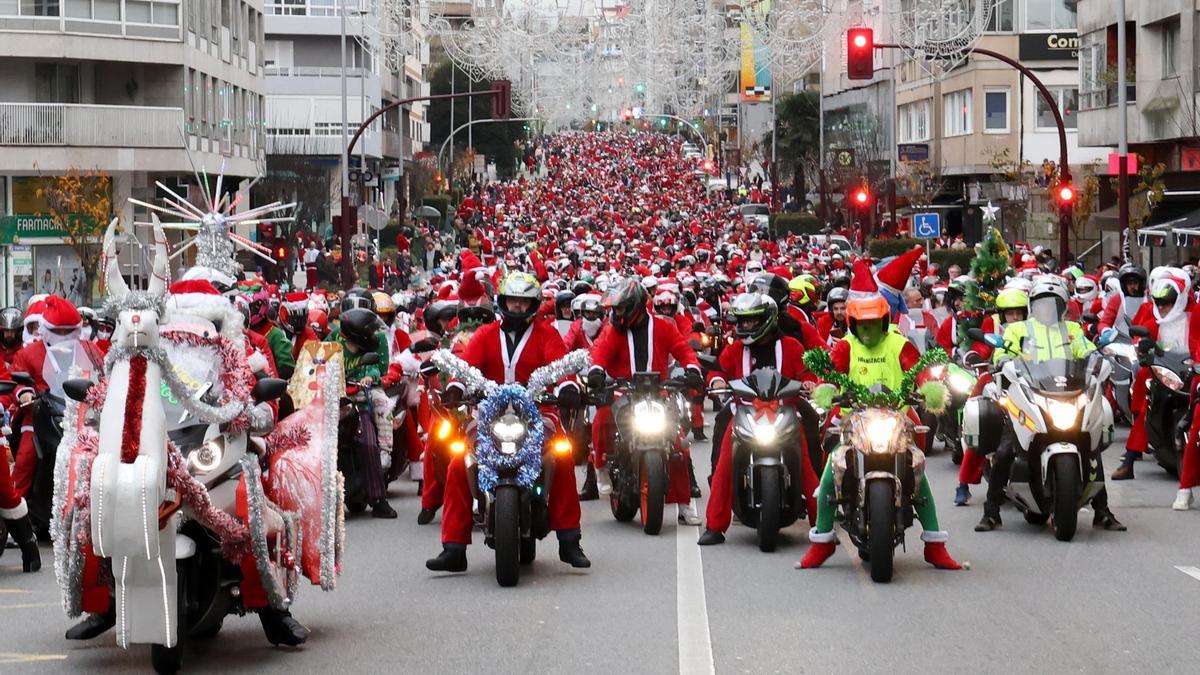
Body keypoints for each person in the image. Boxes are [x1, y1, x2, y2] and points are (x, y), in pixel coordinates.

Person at [425, 272, 591, 572]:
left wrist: (567, 389)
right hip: (489, 414)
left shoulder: (547, 334)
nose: (516, 307)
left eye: (522, 301)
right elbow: (467, 368)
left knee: (562, 457)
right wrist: (455, 389)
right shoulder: (485, 334)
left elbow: (561, 368)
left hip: (540, 413)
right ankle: (453, 547)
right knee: (459, 463)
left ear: (533, 304)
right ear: (502, 301)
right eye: (512, 301)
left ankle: (569, 540)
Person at [799, 266, 961, 571]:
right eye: (862, 324)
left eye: (874, 322)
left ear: (885, 320)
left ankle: (935, 546)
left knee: (917, 470)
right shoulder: (846, 346)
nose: (868, 329)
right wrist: (827, 390)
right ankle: (821, 541)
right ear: (853, 323)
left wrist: (930, 389)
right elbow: (831, 371)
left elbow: (920, 368)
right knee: (832, 469)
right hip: (853, 420)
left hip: (896, 418)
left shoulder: (899, 343)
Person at [974, 276, 1125, 532]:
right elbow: (1002, 352)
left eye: (1053, 303)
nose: (1048, 308)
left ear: (1063, 305)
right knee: (1005, 450)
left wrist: (1098, 359)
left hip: (1066, 394)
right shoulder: (1019, 329)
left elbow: (1086, 350)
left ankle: (1103, 512)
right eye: (1042, 303)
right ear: (1033, 304)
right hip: (1030, 397)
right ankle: (991, 512)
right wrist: (1001, 359)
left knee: (1091, 448)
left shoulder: (1072, 330)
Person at [698, 292, 818, 545]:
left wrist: (811, 383)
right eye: (742, 321)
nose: (745, 327)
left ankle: (822, 524)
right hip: (744, 413)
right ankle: (715, 526)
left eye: (751, 321)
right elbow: (718, 371)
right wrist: (717, 380)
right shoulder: (734, 350)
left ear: (767, 319)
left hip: (785, 412)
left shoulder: (791, 346)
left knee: (806, 463)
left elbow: (809, 373)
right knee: (724, 464)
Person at [586, 278, 705, 525]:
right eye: (614, 309)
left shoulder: (663, 326)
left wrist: (693, 369)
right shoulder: (613, 331)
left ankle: (684, 505)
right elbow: (601, 353)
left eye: (620, 309)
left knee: (679, 444)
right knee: (602, 419)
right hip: (624, 391)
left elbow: (683, 349)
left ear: (635, 306)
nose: (616, 314)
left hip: (658, 393)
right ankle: (602, 468)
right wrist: (596, 371)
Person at [326, 307, 396, 518]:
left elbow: (375, 369)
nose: (373, 335)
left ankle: (378, 499)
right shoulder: (333, 343)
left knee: (367, 443)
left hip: (359, 402)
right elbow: (316, 358)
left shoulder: (368, 353)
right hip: (331, 403)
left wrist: (368, 378)